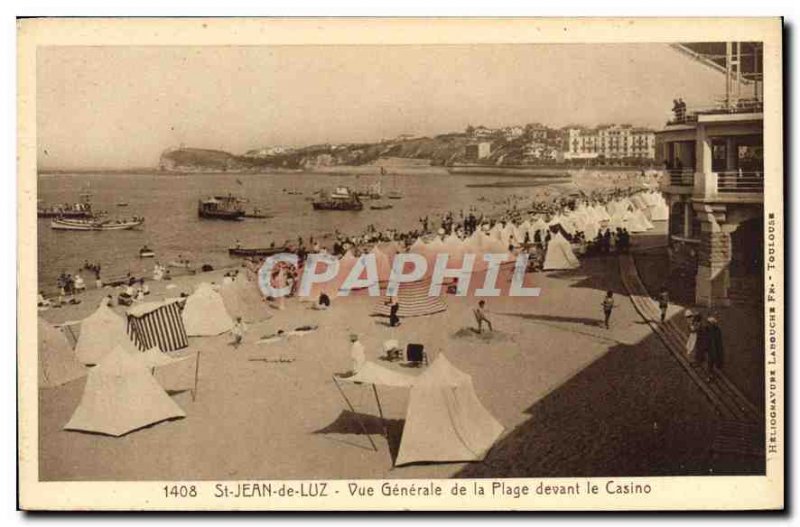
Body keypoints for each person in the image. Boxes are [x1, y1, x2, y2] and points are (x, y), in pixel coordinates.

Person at [706, 315, 724, 381]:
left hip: (716, 349)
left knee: (715, 360)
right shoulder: (708, 330)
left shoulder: (717, 331)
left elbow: (718, 341)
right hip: (711, 349)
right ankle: (710, 375)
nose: (708, 324)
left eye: (709, 323)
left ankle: (713, 374)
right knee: (710, 362)